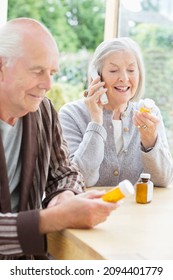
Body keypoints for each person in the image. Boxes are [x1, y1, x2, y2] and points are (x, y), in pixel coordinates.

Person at [0, 18, 118, 260]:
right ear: (2, 68)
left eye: (52, 73)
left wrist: (64, 197)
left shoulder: (43, 110)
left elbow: (65, 172)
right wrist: (55, 217)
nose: (48, 84)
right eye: (37, 71)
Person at [59, 37, 173, 187]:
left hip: (136, 210)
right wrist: (96, 122)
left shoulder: (150, 113)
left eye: (131, 70)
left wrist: (150, 141)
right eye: (113, 70)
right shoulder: (71, 114)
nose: (124, 78)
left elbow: (164, 180)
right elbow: (80, 179)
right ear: (96, 76)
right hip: (90, 209)